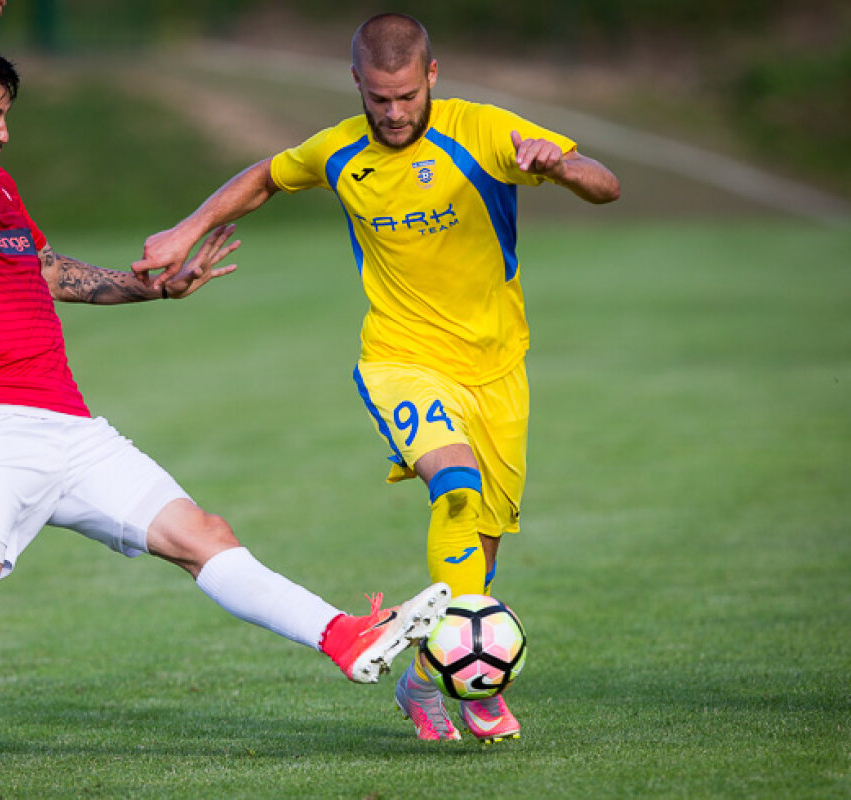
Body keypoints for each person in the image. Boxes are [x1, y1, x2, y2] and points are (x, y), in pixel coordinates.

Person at [0, 1, 454, 783]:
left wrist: (153, 288)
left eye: (5, 115)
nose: (3, 132)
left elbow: (50, 272)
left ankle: (343, 636)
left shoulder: (2, 194)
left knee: (205, 536)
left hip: (72, 429)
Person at [133, 13, 620, 744]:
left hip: (496, 367)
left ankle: (425, 682)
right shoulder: (341, 150)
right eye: (378, 98)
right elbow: (268, 174)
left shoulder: (484, 131)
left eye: (405, 97)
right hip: (400, 359)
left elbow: (605, 186)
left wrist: (560, 166)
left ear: (432, 76)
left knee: (479, 548)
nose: (393, 114)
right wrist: (186, 229)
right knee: (453, 484)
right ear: (356, 81)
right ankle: (477, 689)